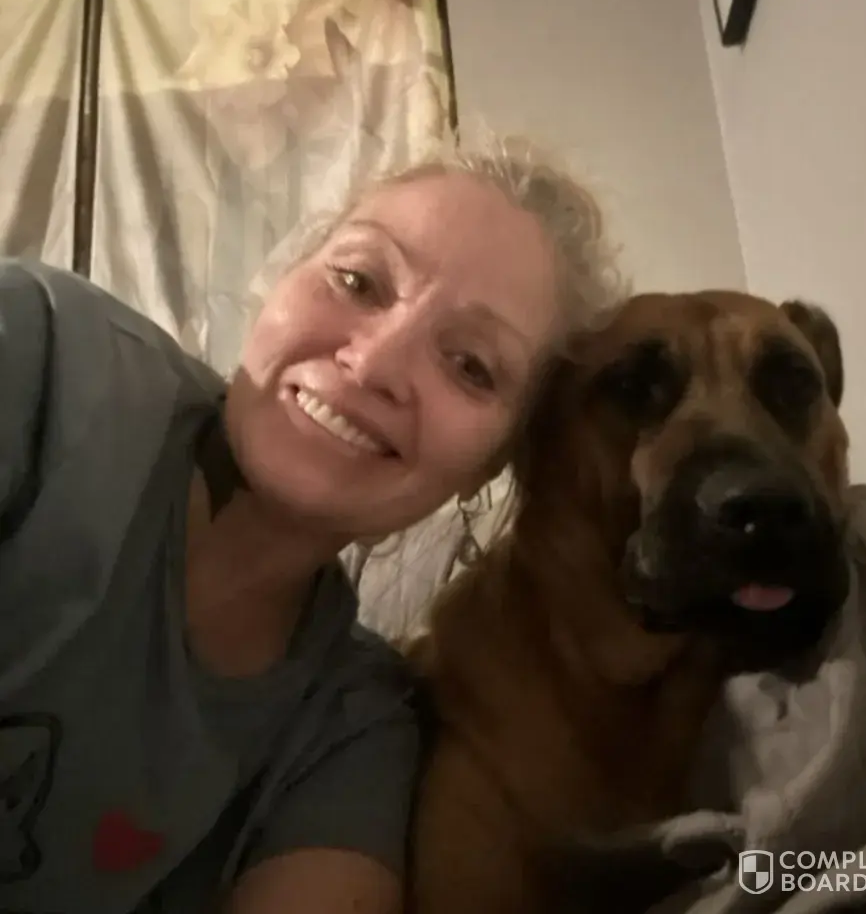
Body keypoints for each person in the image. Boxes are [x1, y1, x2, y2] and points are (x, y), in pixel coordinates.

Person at [0, 134, 625, 914]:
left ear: (493, 464)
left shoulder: (354, 732)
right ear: (282, 278)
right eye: (358, 280)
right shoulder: (43, 358)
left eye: (471, 364)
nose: (375, 362)